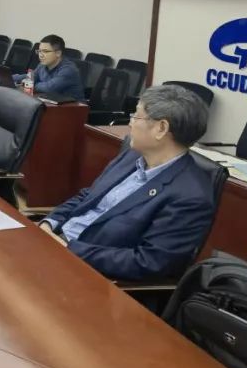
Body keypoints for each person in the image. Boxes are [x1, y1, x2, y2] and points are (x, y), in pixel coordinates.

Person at [40, 85, 216, 282]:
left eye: (136, 116)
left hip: (86, 272)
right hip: (53, 243)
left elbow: (148, 262)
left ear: (161, 129)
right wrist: (49, 223)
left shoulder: (191, 197)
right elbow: (88, 196)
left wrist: (68, 248)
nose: (130, 123)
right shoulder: (132, 156)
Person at [14, 34, 84, 100]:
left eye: (45, 51)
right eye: (39, 51)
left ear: (58, 53)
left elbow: (49, 88)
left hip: (72, 107)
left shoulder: (69, 70)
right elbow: (31, 77)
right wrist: (10, 78)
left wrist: (29, 84)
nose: (41, 55)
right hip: (51, 103)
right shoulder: (42, 65)